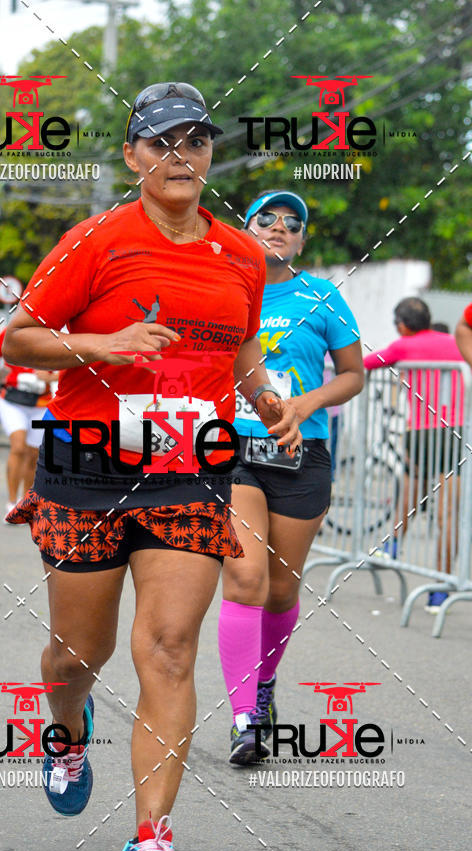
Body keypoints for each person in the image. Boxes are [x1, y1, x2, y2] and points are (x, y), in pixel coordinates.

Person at [2, 82, 300, 851]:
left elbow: (241, 353)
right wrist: (111, 341)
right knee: (75, 658)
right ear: (134, 155)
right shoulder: (94, 240)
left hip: (188, 470)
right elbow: (17, 338)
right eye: (163, 142)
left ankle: (151, 844)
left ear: (210, 155)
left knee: (168, 649)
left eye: (196, 141)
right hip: (87, 468)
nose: (182, 155)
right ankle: (65, 730)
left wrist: (270, 401)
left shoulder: (240, 253)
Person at [217, 190, 364, 765]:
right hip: (234, 451)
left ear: (302, 241)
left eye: (292, 223)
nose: (278, 227)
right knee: (246, 578)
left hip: (301, 452)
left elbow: (352, 376)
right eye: (266, 219)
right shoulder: (227, 288)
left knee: (281, 588)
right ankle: (244, 717)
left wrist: (303, 406)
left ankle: (266, 681)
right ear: (246, 229)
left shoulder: (320, 296)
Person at [364, 297, 464, 610]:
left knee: (410, 496)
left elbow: (364, 365)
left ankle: (392, 545)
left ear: (403, 325)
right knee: (448, 515)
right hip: (455, 432)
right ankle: (441, 588)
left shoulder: (403, 346)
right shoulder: (455, 342)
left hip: (419, 433)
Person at [0, 328, 57, 519]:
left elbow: (71, 367)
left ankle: (26, 502)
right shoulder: (12, 331)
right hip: (12, 400)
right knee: (18, 447)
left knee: (34, 453)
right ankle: (11, 502)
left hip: (40, 402)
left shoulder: (54, 334)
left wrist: (51, 377)